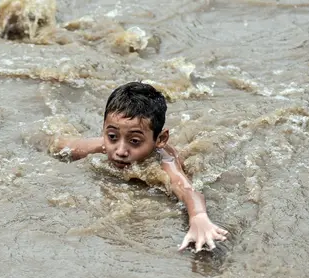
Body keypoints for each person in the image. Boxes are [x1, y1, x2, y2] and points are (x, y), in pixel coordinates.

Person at [50, 81, 228, 252]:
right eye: (112, 136)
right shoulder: (102, 147)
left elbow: (187, 190)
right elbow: (59, 144)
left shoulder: (165, 161)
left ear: (160, 139)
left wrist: (198, 217)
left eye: (134, 141)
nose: (120, 150)